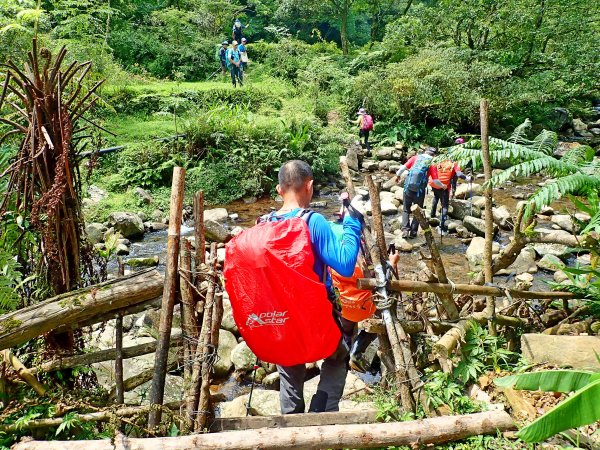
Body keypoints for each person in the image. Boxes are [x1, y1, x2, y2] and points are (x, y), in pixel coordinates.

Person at [271, 160, 363, 414]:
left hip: (279, 319)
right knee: (337, 357)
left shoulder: (264, 223)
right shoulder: (313, 222)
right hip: (314, 317)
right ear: (309, 186)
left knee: (289, 372)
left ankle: (292, 429)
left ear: (280, 189)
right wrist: (353, 222)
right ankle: (321, 412)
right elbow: (345, 264)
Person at [329, 222, 400, 373]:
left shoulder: (333, 255)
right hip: (363, 306)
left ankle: (342, 359)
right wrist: (392, 263)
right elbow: (382, 280)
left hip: (343, 305)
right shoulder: (361, 258)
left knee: (346, 330)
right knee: (382, 319)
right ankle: (357, 352)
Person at [395, 147, 445, 239]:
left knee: (406, 209)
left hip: (408, 188)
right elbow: (436, 181)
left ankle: (405, 230)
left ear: (425, 152)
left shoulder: (415, 158)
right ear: (434, 155)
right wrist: (443, 186)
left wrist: (397, 176)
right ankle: (413, 232)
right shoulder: (432, 163)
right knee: (418, 210)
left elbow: (402, 168)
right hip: (419, 191)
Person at [429, 157, 471, 235]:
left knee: (436, 196)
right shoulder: (454, 163)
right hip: (443, 185)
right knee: (445, 206)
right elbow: (459, 174)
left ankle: (432, 214)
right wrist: (467, 178)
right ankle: (442, 226)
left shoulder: (439, 160)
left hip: (433, 182)